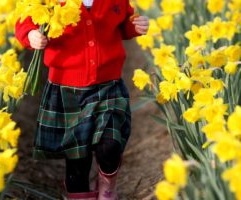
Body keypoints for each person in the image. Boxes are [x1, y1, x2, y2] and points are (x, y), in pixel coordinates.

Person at [15, 0, 149, 199]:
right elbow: (25, 18)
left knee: (110, 146)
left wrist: (135, 25)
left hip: (108, 85)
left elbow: (124, 22)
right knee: (78, 161)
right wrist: (30, 34)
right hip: (67, 89)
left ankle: (108, 183)